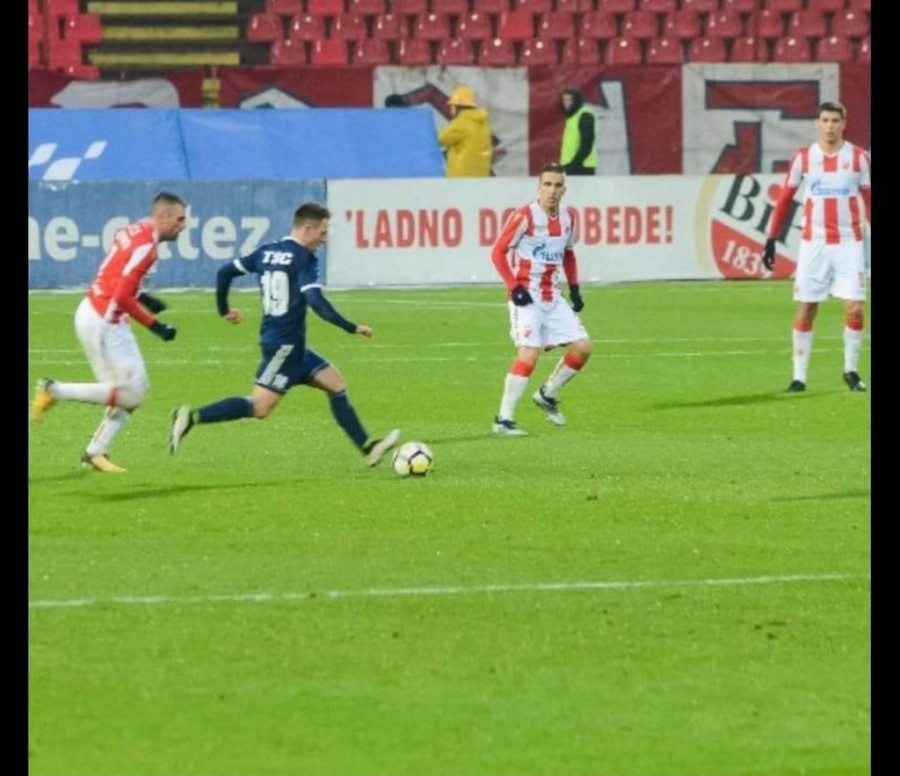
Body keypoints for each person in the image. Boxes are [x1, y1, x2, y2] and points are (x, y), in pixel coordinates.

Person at [168, 202, 399, 466]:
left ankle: (368, 448)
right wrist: (351, 327)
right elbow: (316, 301)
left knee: (336, 384)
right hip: (283, 348)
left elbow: (224, 273)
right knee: (259, 407)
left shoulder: (266, 252)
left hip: (292, 347)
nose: (324, 239)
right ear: (308, 229)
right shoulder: (304, 259)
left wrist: (224, 310)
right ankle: (191, 418)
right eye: (323, 233)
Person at [30, 193, 186, 473]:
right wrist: (156, 326)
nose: (182, 226)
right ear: (162, 217)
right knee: (131, 394)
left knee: (134, 389)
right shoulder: (147, 247)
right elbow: (122, 296)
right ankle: (54, 390)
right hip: (103, 322)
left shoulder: (135, 230)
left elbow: (118, 271)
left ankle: (95, 452)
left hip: (99, 313)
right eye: (179, 219)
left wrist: (145, 297)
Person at [762, 101, 871, 393]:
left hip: (849, 242)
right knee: (807, 308)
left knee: (855, 309)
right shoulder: (803, 158)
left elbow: (869, 201)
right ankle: (799, 377)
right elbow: (784, 199)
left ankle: (850, 371)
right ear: (817, 123)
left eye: (835, 120)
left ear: (844, 123)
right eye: (825, 120)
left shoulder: (859, 158)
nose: (830, 126)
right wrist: (771, 239)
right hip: (815, 242)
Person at [489, 162, 591, 435]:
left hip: (552, 295)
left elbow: (568, 253)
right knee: (529, 352)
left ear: (564, 189)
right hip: (526, 295)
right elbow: (497, 252)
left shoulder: (569, 217)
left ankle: (547, 394)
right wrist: (514, 287)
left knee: (582, 347)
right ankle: (503, 419)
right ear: (538, 187)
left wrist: (575, 288)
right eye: (547, 184)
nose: (552, 190)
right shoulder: (524, 216)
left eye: (558, 185)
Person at [437, 86, 492, 178]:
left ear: (458, 106)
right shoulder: (482, 122)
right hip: (481, 175)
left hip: (462, 176)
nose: (451, 109)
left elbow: (442, 139)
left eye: (452, 106)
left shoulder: (462, 121)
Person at [559, 87, 596, 177]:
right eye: (564, 100)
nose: (566, 103)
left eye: (570, 100)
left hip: (581, 166)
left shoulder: (584, 115)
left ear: (577, 100)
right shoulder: (572, 117)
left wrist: (575, 163)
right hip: (569, 165)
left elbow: (587, 142)